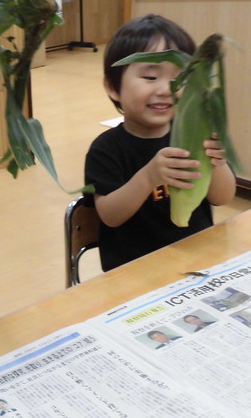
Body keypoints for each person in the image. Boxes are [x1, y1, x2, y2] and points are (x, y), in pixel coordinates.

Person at [84, 14, 237, 272]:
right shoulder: (106, 149)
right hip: (135, 272)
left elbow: (223, 197)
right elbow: (109, 216)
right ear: (113, 87)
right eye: (151, 77)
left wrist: (218, 163)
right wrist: (148, 177)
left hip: (196, 261)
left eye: (179, 78)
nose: (166, 89)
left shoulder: (192, 135)